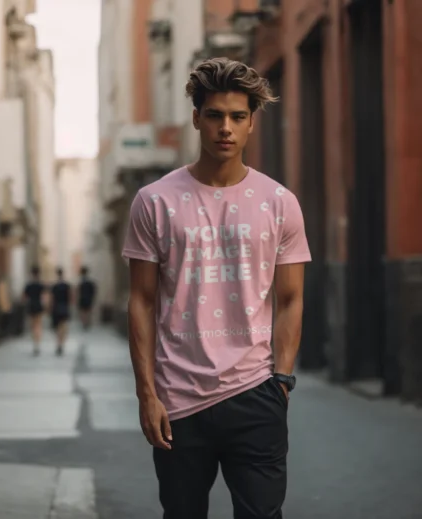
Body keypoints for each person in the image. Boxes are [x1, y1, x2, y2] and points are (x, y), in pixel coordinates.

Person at [121, 57, 311, 519]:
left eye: (238, 117)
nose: (225, 128)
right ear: (196, 118)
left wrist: (281, 382)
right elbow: (142, 302)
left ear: (251, 124)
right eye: (215, 115)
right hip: (177, 400)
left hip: (256, 392)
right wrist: (147, 394)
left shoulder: (279, 203)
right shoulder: (154, 202)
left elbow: (290, 299)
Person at [23, 266, 46, 356]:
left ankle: (35, 343)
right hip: (38, 305)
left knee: (32, 326)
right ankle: (37, 343)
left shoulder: (28, 285)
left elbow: (24, 297)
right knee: (38, 325)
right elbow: (44, 296)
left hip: (31, 305)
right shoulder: (41, 284)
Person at [50, 267, 72, 356]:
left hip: (56, 308)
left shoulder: (54, 286)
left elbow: (51, 299)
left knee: (57, 327)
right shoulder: (67, 285)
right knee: (63, 326)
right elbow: (71, 297)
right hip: (64, 307)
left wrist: (50, 308)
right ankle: (61, 343)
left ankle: (59, 343)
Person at [77, 266, 97, 330]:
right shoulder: (90, 281)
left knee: (83, 311)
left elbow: (78, 291)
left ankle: (84, 323)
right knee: (88, 311)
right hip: (89, 298)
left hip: (82, 298)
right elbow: (93, 291)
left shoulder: (81, 282)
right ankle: (87, 322)